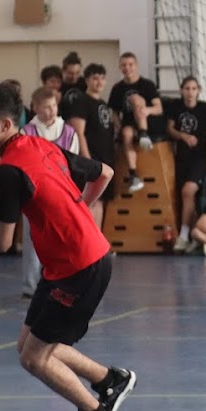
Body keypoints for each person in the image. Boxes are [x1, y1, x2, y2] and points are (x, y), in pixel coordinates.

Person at [0, 81, 136, 411]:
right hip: (64, 265)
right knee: (28, 343)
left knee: (34, 358)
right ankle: (109, 381)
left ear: (6, 125)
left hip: (80, 268)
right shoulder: (40, 145)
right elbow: (104, 172)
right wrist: (79, 211)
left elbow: (1, 242)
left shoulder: (8, 171)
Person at [22, 86, 81, 297]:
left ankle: (60, 283)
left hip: (60, 194)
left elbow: (72, 164)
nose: (51, 111)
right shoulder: (26, 133)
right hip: (34, 194)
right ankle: (31, 286)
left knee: (61, 241)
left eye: (54, 105)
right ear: (35, 108)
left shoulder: (69, 132)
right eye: (46, 107)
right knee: (33, 240)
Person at [165, 76, 206, 253]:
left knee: (188, 191)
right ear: (181, 90)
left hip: (199, 159)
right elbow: (170, 129)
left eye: (194, 88)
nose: (190, 92)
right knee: (187, 198)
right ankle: (195, 238)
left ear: (198, 90)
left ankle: (184, 235)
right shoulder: (175, 107)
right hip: (181, 159)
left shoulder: (205, 108)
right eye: (187, 88)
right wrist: (183, 136)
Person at [68, 63, 118, 230]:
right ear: (87, 80)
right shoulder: (81, 101)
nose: (99, 82)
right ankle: (88, 239)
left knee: (101, 200)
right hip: (92, 158)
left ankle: (98, 239)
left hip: (106, 157)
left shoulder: (102, 103)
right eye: (95, 78)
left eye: (102, 78)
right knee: (91, 200)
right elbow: (78, 132)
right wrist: (87, 160)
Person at [108, 51, 163, 193]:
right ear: (120, 67)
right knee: (126, 133)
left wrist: (146, 110)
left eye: (130, 64)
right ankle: (133, 175)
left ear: (136, 66)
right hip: (129, 124)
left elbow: (158, 108)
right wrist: (118, 128)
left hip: (149, 123)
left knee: (135, 99)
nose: (127, 68)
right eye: (124, 65)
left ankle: (144, 134)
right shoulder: (117, 88)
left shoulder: (147, 85)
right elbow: (114, 113)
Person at [59, 51, 85, 115]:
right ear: (63, 71)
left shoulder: (84, 83)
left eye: (77, 73)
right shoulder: (57, 84)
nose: (74, 77)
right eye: (70, 73)